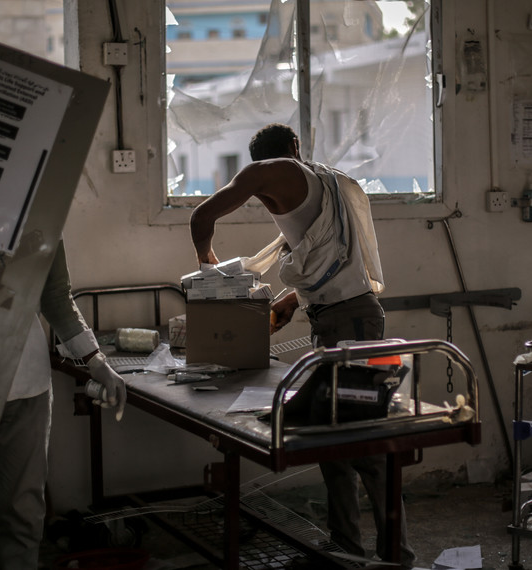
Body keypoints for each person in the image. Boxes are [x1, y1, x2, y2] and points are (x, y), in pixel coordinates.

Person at [189, 123, 416, 567]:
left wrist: (206, 267)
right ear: (296, 145)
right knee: (332, 442)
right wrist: (293, 299)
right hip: (341, 318)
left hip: (351, 322)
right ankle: (347, 548)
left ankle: (396, 555)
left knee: (364, 444)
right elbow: (329, 260)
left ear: (270, 158)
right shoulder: (321, 183)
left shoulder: (270, 171)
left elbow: (201, 218)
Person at [0, 240, 127, 570]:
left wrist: (96, 362)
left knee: (24, 514)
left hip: (26, 385)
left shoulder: (45, 211)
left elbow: (55, 299)